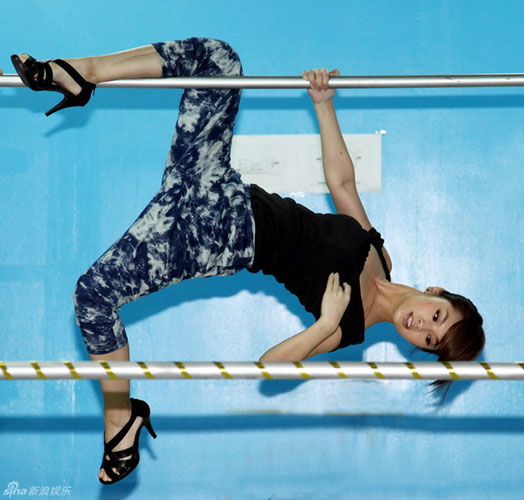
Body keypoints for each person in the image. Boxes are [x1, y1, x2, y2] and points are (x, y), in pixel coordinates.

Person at [12, 38, 484, 484]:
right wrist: (324, 103)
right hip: (221, 187)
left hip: (216, 238)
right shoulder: (381, 256)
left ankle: (120, 419)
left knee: (92, 296)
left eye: (427, 340)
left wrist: (324, 326)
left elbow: (269, 367)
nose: (419, 326)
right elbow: (343, 186)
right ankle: (81, 74)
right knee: (220, 60)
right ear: (436, 291)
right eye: (436, 317)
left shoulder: (351, 326)